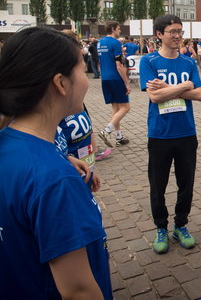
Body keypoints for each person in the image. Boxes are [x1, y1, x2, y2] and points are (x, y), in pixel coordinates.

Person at [0, 27, 112, 299]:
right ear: (60, 83)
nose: (87, 80)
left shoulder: (10, 144)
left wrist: (63, 158)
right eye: (82, 71)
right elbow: (79, 291)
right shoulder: (55, 180)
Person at [140, 14, 201, 254]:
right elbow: (154, 97)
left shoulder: (188, 63)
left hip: (186, 133)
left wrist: (169, 89)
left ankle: (181, 225)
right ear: (159, 35)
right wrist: (183, 87)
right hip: (159, 134)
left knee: (186, 184)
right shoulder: (149, 61)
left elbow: (199, 95)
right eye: (172, 32)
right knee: (158, 185)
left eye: (180, 31)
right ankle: (160, 228)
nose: (177, 36)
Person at [97, 21, 130, 147]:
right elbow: (119, 65)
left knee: (115, 108)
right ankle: (107, 130)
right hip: (115, 78)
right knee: (126, 107)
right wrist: (126, 82)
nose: (120, 31)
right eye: (118, 28)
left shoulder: (100, 42)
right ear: (113, 29)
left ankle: (119, 136)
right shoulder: (116, 43)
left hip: (105, 78)